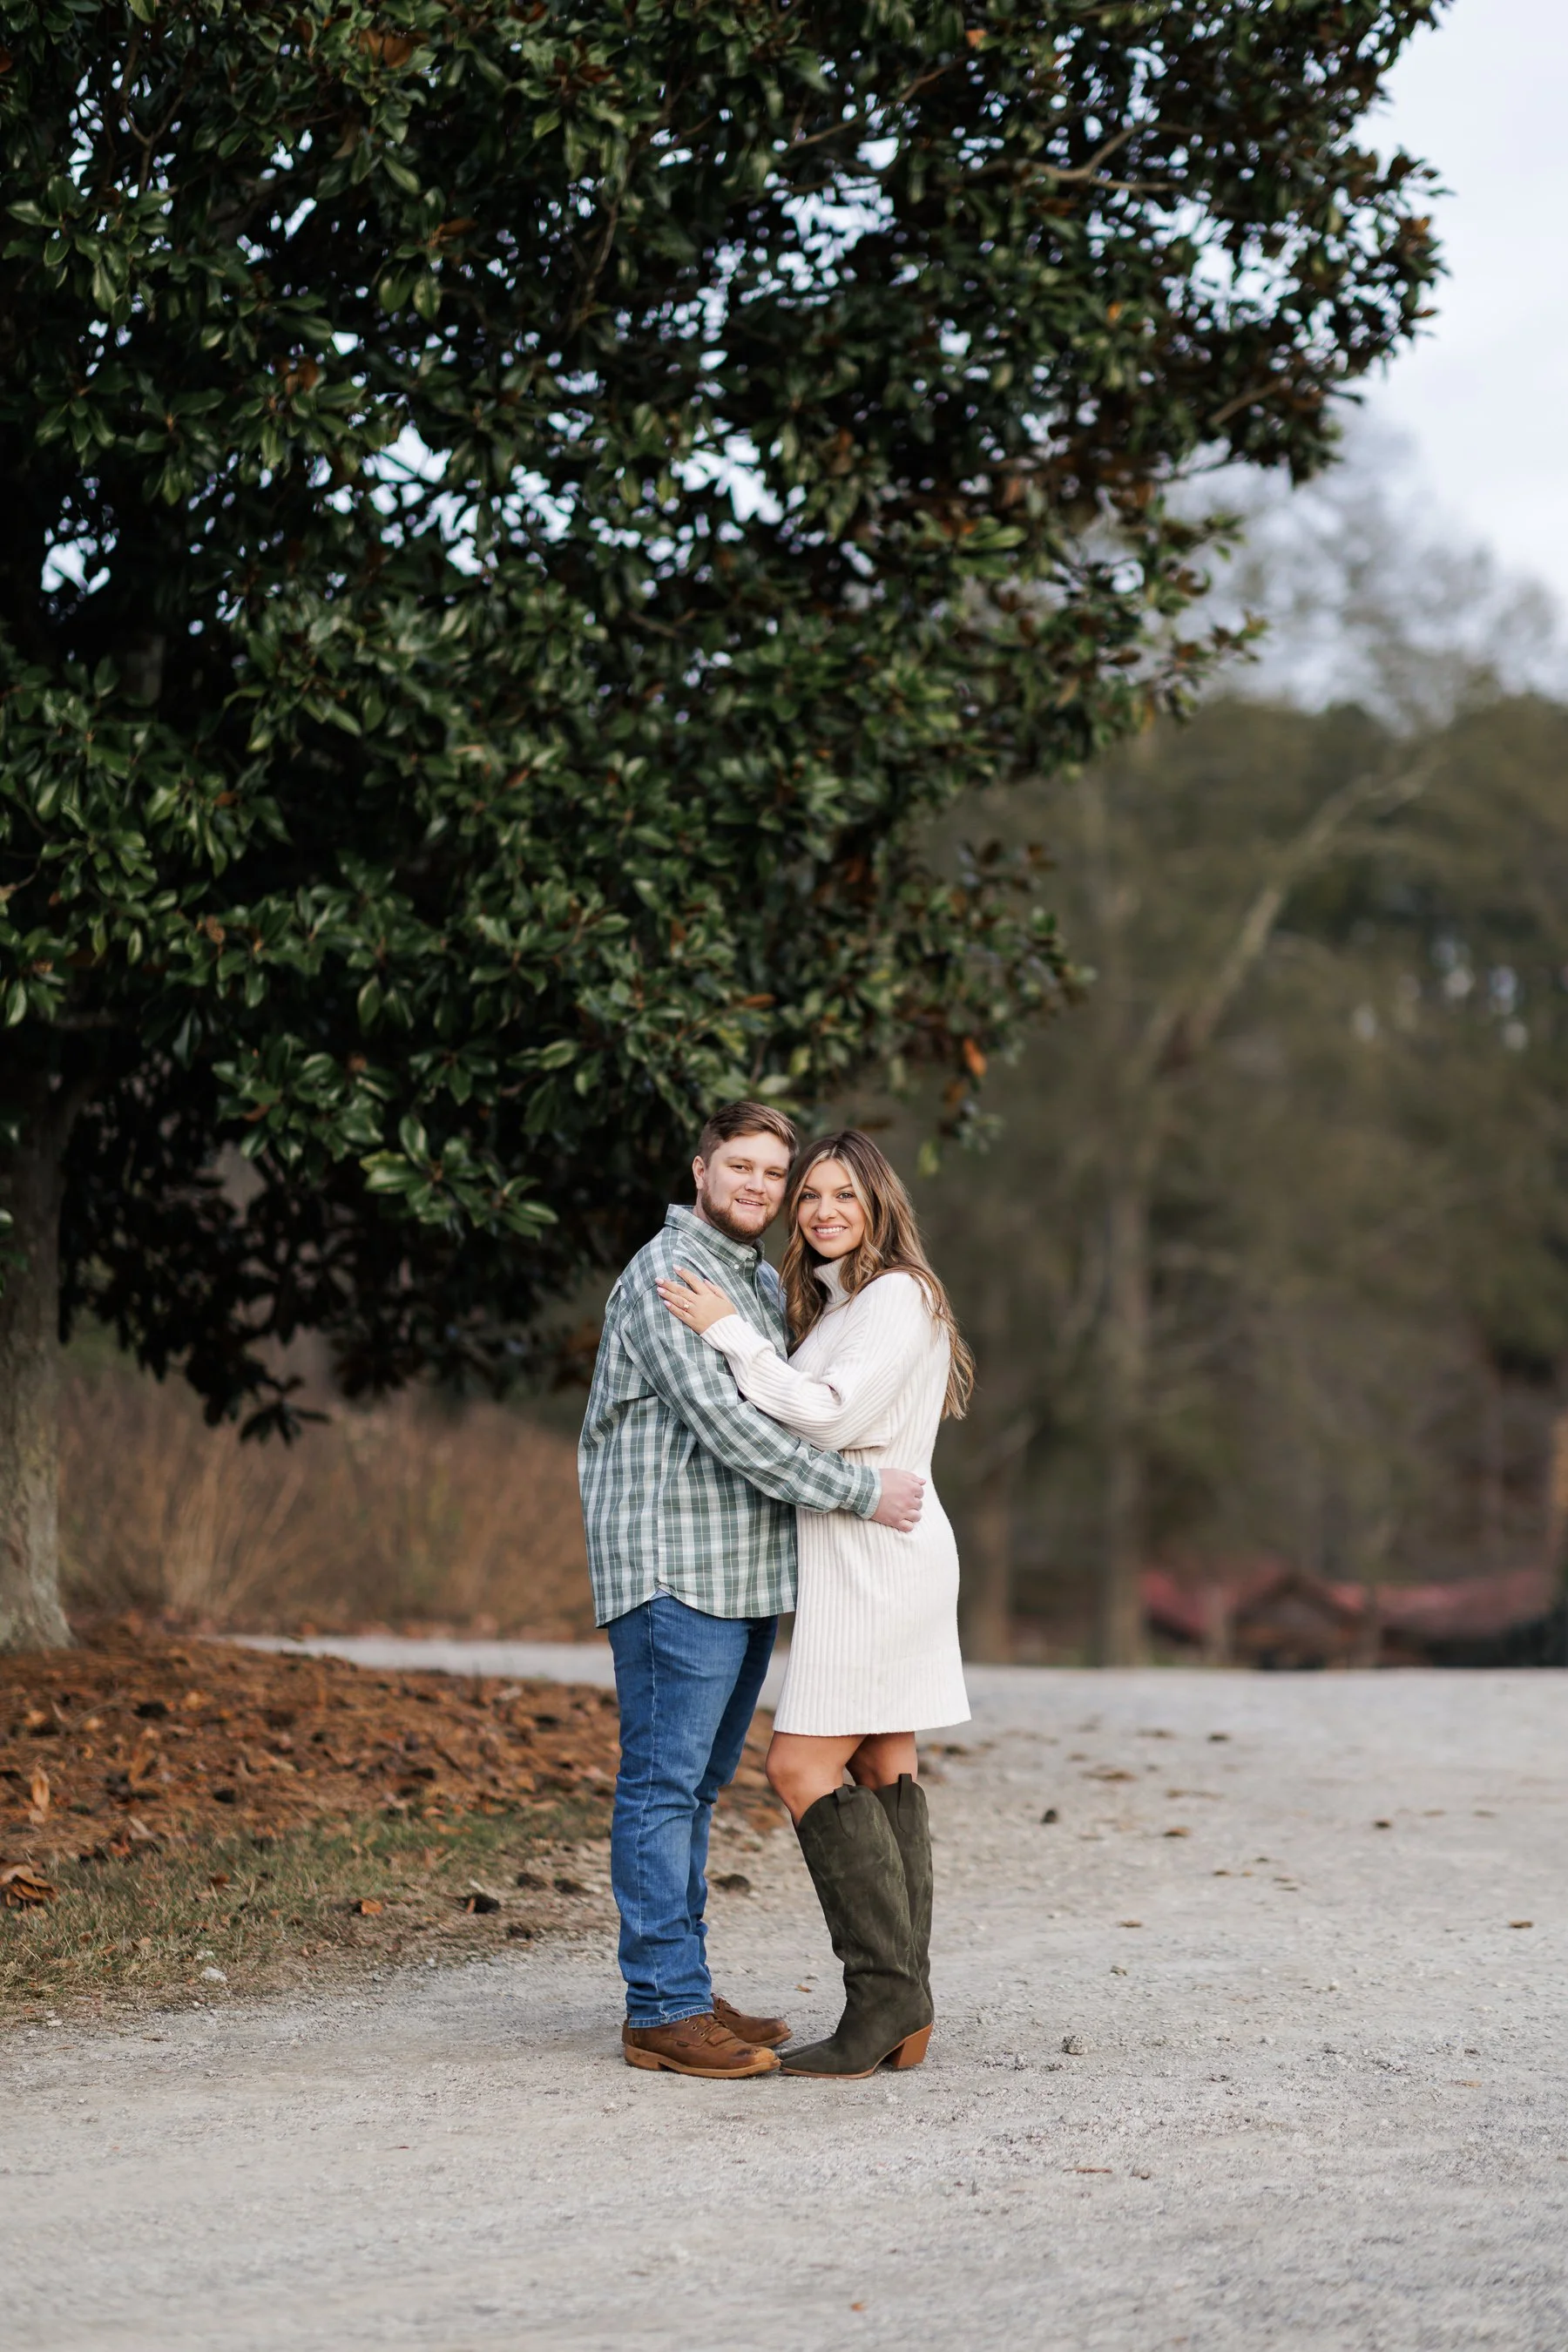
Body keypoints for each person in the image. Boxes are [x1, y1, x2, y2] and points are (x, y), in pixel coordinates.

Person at [578, 1102, 927, 2080]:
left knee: (694, 1789)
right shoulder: (668, 1275)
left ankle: (680, 1983)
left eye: (777, 1175)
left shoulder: (754, 1286)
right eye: (744, 1168)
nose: (762, 1189)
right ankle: (661, 2006)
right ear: (700, 1170)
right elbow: (737, 1433)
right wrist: (863, 1492)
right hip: (673, 1570)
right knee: (661, 1786)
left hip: (739, 1576)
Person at [658, 1128, 972, 2079]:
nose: (823, 1211)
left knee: (799, 1767)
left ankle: (885, 1997)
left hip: (878, 1556)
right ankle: (904, 2013)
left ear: (880, 1203)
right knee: (881, 1760)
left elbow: (827, 1412)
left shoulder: (897, 1295)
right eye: (810, 1198)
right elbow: (815, 1400)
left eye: (844, 1194)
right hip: (861, 1548)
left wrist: (728, 1333)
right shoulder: (843, 1303)